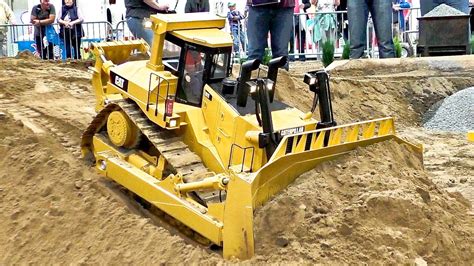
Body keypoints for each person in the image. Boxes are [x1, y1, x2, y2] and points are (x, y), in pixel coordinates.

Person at [246, 0, 295, 69]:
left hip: (284, 7)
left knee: (281, 55)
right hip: (257, 6)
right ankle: (251, 77)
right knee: (254, 53)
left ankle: (281, 78)